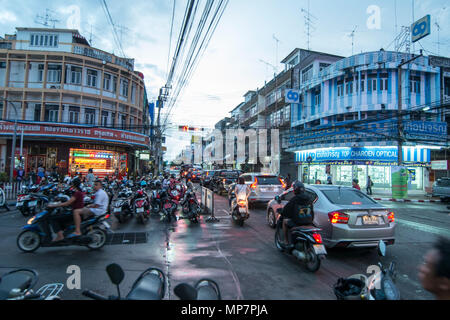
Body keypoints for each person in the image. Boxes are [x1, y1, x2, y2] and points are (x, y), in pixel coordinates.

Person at [47, 178, 85, 242]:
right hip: (74, 211)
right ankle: (62, 233)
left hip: (75, 212)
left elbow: (67, 203)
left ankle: (60, 236)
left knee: (53, 218)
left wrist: (54, 205)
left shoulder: (77, 193)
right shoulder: (78, 192)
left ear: (73, 184)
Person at [281, 181, 314, 249]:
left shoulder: (295, 199)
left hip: (297, 222)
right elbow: (312, 211)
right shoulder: (309, 199)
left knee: (284, 221)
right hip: (309, 222)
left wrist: (282, 212)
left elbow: (286, 210)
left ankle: (286, 241)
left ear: (295, 190)